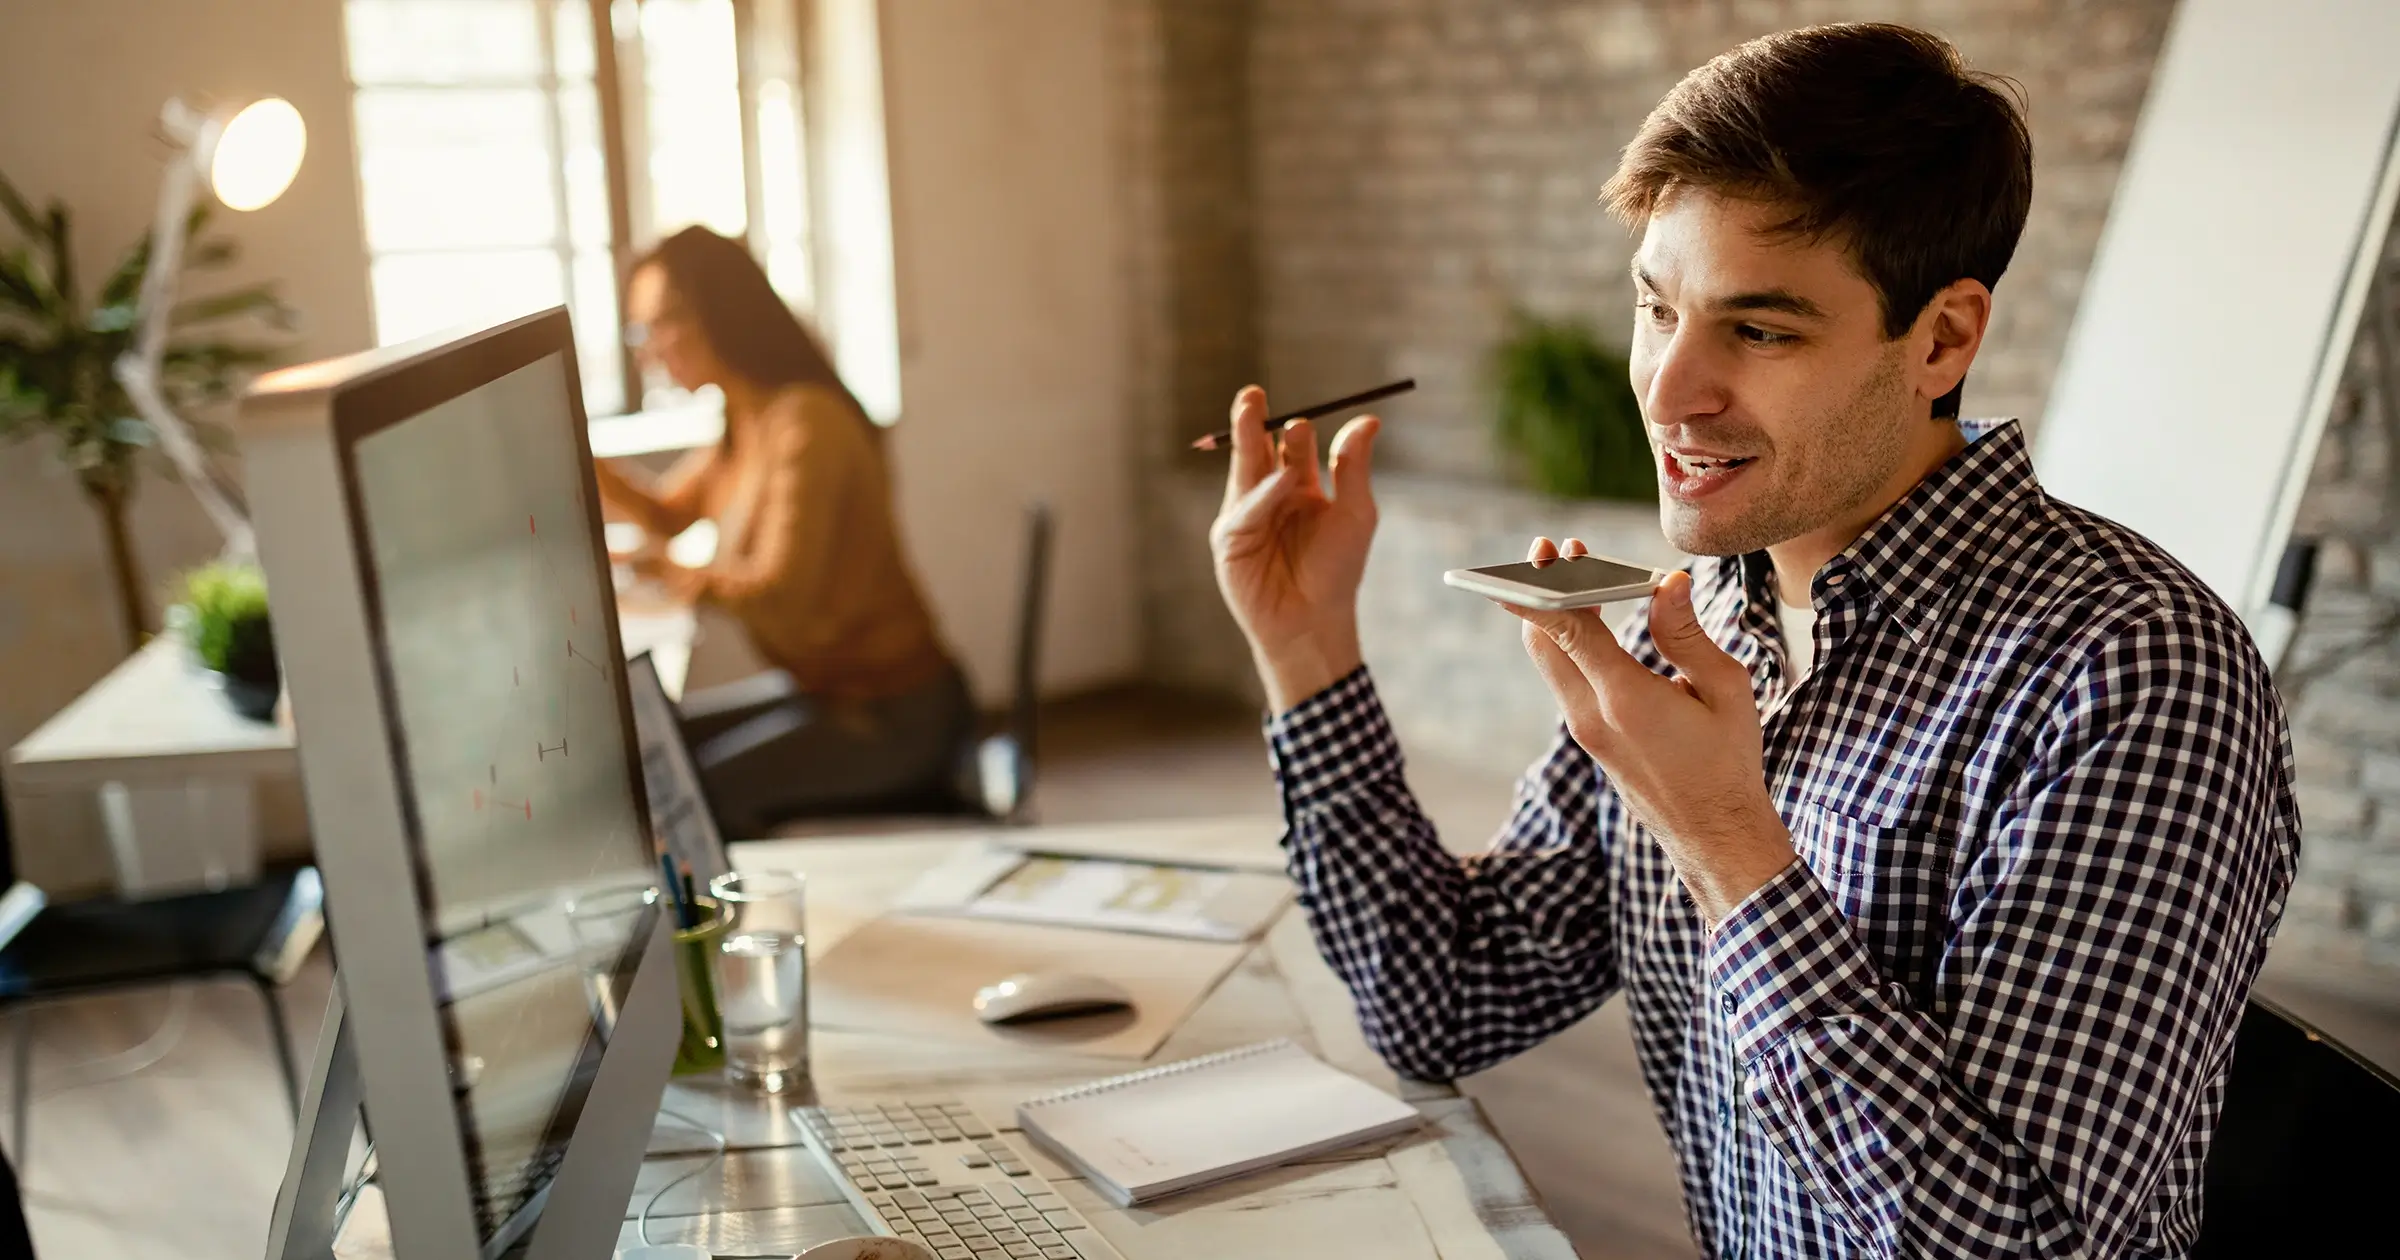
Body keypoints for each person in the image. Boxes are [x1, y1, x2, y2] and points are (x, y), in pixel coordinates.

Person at [1211, 23, 2297, 1260]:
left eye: (1761, 331)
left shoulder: (2135, 673)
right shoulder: (1706, 609)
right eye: (1655, 307)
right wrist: (1305, 655)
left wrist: (1726, 837)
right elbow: (1444, 999)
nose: (1669, 391)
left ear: (1941, 339)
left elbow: (2022, 1246)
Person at [595, 227, 969, 832]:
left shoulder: (806, 423)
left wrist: (667, 572)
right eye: (640, 330)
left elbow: (781, 590)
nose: (649, 349)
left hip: (892, 713)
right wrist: (580, 455)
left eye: (661, 323)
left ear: (717, 313)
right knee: (665, 742)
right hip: (827, 691)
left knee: (694, 794)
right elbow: (670, 513)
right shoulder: (747, 416)